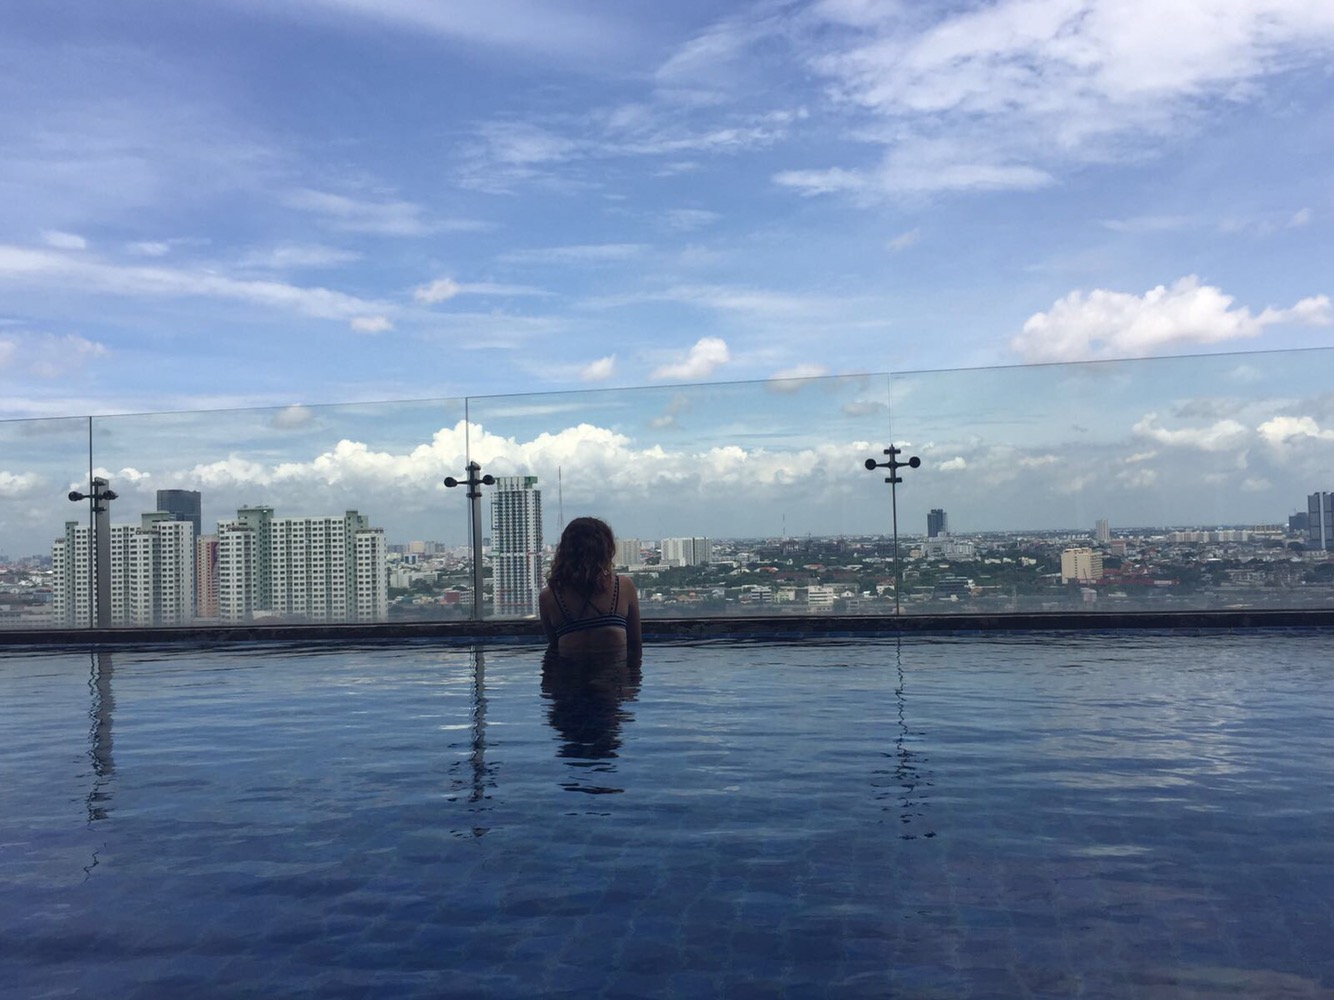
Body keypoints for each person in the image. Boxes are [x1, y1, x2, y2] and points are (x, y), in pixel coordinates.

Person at [539, 516, 642, 657]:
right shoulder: (623, 587)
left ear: (564, 550)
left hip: (568, 670)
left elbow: (554, 648)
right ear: (606, 549)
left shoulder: (549, 597)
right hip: (616, 670)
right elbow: (636, 645)